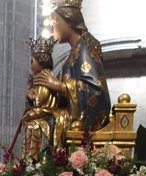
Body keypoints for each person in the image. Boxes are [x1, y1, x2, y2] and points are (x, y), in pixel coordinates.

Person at [33, 0, 110, 133]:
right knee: (35, 122)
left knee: (36, 127)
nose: (52, 29)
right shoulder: (75, 51)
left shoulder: (84, 48)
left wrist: (60, 86)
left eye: (54, 23)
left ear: (68, 20)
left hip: (78, 125)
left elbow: (96, 92)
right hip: (68, 118)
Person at [22, 36, 70, 160]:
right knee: (31, 125)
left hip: (49, 118)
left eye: (32, 62)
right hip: (43, 116)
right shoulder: (39, 79)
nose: (31, 66)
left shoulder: (45, 79)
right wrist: (30, 98)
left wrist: (31, 110)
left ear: (41, 61)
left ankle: (35, 162)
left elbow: (43, 106)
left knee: (33, 127)